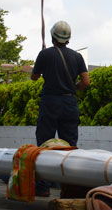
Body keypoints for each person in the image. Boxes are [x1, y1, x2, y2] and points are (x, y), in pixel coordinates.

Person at [31, 21, 90, 196]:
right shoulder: (77, 57)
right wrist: (73, 88)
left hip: (50, 102)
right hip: (69, 102)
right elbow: (86, 82)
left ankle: (43, 188)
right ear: (68, 39)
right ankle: (70, 189)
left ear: (52, 36)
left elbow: (34, 77)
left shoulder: (45, 54)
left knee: (44, 143)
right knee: (70, 146)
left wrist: (45, 70)